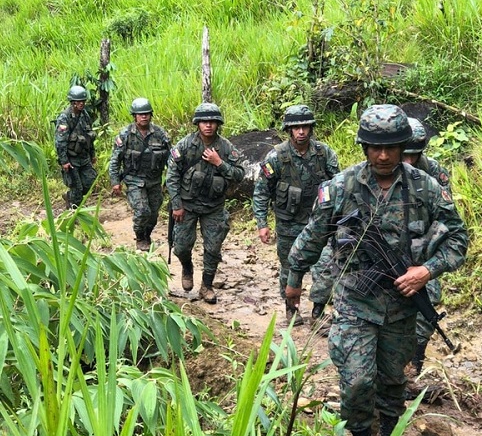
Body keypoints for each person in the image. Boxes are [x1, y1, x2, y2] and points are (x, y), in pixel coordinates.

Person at [285, 104, 468, 436]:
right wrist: (294, 279)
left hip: (402, 304)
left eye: (391, 148)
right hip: (356, 300)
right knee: (356, 382)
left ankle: (387, 433)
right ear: (364, 147)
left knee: (391, 381)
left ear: (403, 147)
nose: (383, 156)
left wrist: (426, 271)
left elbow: (457, 238)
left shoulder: (426, 188)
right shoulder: (342, 186)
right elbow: (313, 235)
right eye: (375, 148)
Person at [252, 105, 340, 326]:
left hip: (319, 224)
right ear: (289, 130)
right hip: (288, 224)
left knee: (325, 267)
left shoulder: (324, 153)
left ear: (311, 129)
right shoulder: (277, 157)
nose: (301, 131)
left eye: (305, 127)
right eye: (296, 127)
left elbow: (340, 186)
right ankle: (292, 309)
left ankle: (318, 311)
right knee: (290, 268)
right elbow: (262, 191)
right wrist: (262, 223)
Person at [165, 102, 245, 304]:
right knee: (181, 246)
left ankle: (207, 286)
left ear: (218, 124)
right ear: (197, 124)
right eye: (204, 121)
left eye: (212, 121)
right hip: (187, 205)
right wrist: (176, 204)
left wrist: (220, 163)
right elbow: (172, 175)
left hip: (214, 207)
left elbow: (240, 175)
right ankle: (187, 267)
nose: (208, 125)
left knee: (213, 248)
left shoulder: (226, 148)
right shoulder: (185, 145)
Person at [403, 117, 452, 374]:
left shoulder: (434, 173)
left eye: (414, 154)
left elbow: (446, 219)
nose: (408, 161)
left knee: (426, 304)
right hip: (386, 251)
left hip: (423, 252)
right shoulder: (380, 169)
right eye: (404, 153)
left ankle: (416, 358)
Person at [109, 97, 171, 251]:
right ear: (134, 116)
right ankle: (140, 237)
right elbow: (115, 160)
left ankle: (147, 234)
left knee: (154, 214)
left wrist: (171, 180)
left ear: (151, 115)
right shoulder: (125, 134)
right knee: (142, 210)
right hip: (134, 180)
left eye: (147, 113)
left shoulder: (160, 134)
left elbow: (171, 159)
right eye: (140, 114)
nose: (144, 116)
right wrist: (115, 182)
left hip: (154, 181)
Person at [55, 85, 97, 209]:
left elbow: (89, 136)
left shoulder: (85, 115)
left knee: (90, 182)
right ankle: (74, 213)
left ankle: (70, 196)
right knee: (77, 188)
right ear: (72, 102)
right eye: (78, 101)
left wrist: (92, 154)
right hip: (71, 159)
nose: (81, 104)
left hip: (84, 157)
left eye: (83, 101)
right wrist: (64, 161)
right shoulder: (65, 118)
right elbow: (60, 141)